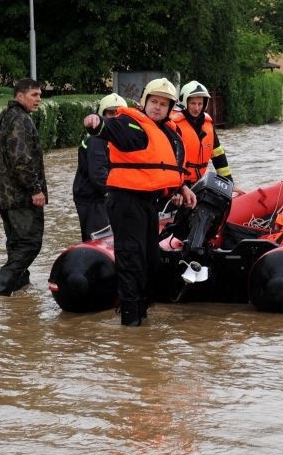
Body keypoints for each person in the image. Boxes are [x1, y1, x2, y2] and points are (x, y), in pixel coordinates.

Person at [83, 78, 197, 326]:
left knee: (151, 261)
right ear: (144, 102)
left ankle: (142, 314)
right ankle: (131, 324)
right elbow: (111, 128)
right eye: (153, 102)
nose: (157, 107)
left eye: (163, 104)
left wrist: (182, 187)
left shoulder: (166, 133)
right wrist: (97, 123)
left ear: (169, 109)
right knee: (132, 260)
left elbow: (162, 167)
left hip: (147, 202)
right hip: (125, 201)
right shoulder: (131, 124)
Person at [0, 77, 48, 296]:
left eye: (40, 95)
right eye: (34, 95)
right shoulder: (20, 119)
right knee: (29, 244)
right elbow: (20, 159)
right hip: (20, 197)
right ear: (20, 96)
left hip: (6, 197)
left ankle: (21, 291)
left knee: (16, 245)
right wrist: (35, 189)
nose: (39, 99)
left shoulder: (7, 116)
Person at [72, 93, 126, 242]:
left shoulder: (118, 137)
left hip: (103, 197)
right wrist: (117, 194)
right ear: (101, 114)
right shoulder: (96, 138)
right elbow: (98, 174)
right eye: (110, 112)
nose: (114, 116)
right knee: (98, 240)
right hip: (93, 199)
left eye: (119, 112)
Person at [169, 80, 233, 186]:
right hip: (178, 184)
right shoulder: (173, 125)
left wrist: (229, 183)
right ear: (185, 103)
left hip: (198, 182)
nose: (197, 108)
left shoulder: (208, 125)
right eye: (193, 103)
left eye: (200, 104)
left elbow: (218, 156)